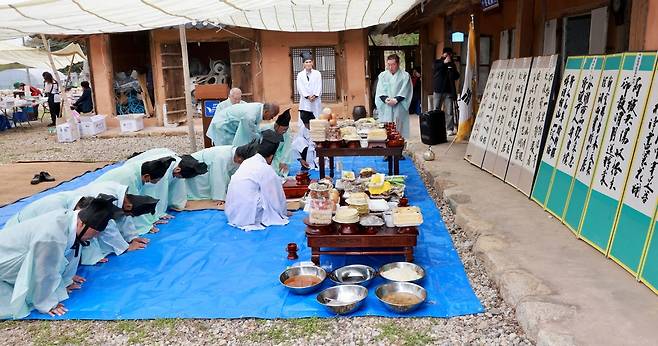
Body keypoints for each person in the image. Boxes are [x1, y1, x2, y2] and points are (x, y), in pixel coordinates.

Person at [0, 197, 118, 319]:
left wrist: (66, 281)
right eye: (93, 233)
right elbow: (43, 271)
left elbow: (71, 252)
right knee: (14, 305)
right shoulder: (52, 235)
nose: (93, 238)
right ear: (82, 223)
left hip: (14, 251)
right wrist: (47, 304)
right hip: (6, 258)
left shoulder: (71, 221)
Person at [225, 130, 290, 231]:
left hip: (232, 212)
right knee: (269, 197)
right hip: (247, 215)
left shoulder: (247, 162)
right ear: (271, 157)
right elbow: (276, 196)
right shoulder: (265, 168)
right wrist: (283, 212)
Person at [94, 156, 176, 234]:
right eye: (154, 180)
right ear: (147, 176)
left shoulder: (140, 170)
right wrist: (145, 226)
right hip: (98, 196)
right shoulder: (131, 179)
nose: (155, 183)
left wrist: (152, 218)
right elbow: (133, 206)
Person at [124, 149, 208, 219]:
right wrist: (156, 215)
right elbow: (154, 191)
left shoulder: (179, 163)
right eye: (181, 176)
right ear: (178, 170)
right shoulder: (162, 169)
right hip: (131, 173)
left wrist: (179, 204)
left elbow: (175, 185)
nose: (180, 178)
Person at [186, 140, 259, 205]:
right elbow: (218, 177)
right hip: (192, 171)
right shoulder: (222, 157)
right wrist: (219, 197)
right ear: (240, 159)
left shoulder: (233, 153)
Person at [206, 102, 280, 147]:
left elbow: (254, 129)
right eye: (272, 116)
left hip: (230, 127)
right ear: (266, 112)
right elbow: (248, 134)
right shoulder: (251, 115)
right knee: (227, 152)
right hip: (221, 127)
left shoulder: (259, 108)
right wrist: (262, 138)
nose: (271, 118)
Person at [375, 54, 412, 138]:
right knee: (386, 129)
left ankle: (401, 146)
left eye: (393, 64)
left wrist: (396, 100)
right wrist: (386, 99)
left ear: (398, 64)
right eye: (389, 64)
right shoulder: (382, 76)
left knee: (399, 130)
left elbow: (406, 90)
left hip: (399, 106)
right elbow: (380, 91)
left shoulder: (405, 76)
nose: (390, 67)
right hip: (386, 106)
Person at [433, 47, 460, 136]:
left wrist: (451, 67)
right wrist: (444, 62)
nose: (448, 56)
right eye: (446, 54)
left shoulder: (452, 64)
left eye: (450, 54)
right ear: (443, 54)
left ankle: (449, 129)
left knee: (449, 111)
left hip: (449, 90)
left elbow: (456, 76)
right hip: (438, 90)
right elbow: (435, 68)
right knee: (436, 109)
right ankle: (436, 127)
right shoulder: (437, 62)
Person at [262, 108, 292, 176]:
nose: (285, 131)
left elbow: (287, 147)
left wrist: (283, 161)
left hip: (278, 155)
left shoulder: (287, 133)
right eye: (283, 129)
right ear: (276, 126)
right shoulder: (266, 129)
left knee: (281, 172)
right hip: (265, 156)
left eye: (286, 129)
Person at [296, 52, 322, 117]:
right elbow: (300, 87)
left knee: (316, 117)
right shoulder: (300, 75)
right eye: (306, 62)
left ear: (312, 63)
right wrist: (307, 96)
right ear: (303, 64)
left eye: (310, 62)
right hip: (305, 101)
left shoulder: (317, 73)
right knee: (305, 119)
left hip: (315, 100)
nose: (308, 64)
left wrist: (315, 96)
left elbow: (319, 86)